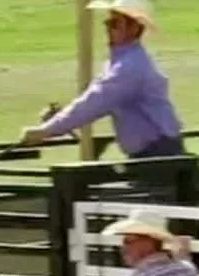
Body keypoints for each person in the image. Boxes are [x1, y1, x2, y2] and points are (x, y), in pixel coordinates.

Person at [20, 0, 184, 159]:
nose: (107, 27)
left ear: (134, 28)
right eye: (108, 22)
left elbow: (95, 101)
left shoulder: (130, 67)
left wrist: (47, 130)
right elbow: (93, 97)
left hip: (158, 155)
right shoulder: (122, 62)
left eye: (114, 24)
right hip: (153, 154)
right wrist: (57, 121)